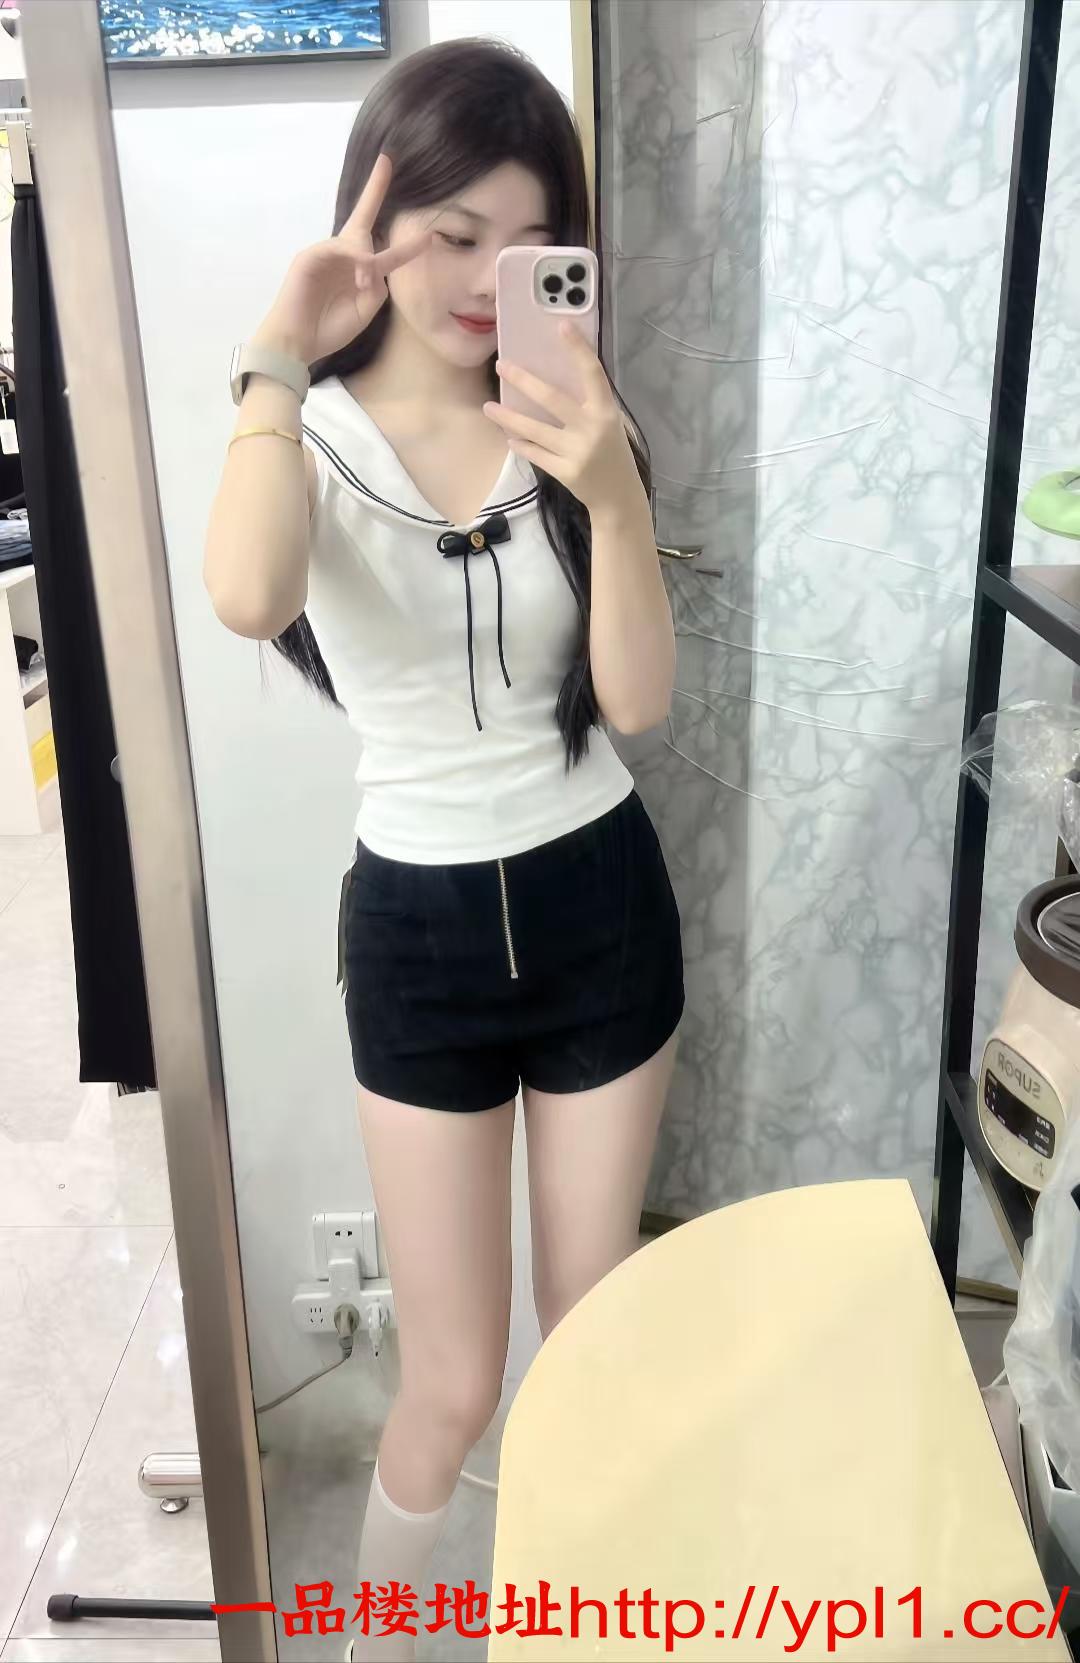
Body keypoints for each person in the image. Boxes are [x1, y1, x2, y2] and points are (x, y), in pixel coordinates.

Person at [203, 36, 684, 1662]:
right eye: (453, 232)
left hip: (600, 902)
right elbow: (248, 596)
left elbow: (637, 700)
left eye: (527, 243)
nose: (487, 280)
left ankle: (583, 1630)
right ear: (375, 218)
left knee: (594, 1334)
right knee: (455, 1379)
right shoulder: (309, 435)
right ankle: (386, 1646)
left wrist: (613, 489)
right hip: (415, 936)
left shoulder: (571, 417)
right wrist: (279, 348)